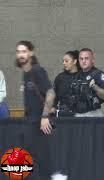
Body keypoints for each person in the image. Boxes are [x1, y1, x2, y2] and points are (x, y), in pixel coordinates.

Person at [15, 40, 55, 179]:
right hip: (29, 123)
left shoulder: (37, 70)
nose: (21, 54)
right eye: (19, 51)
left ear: (31, 53)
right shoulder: (25, 73)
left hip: (38, 125)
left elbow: (50, 93)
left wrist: (44, 117)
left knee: (41, 162)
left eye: (24, 51)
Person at [74, 48, 104, 117]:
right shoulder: (77, 76)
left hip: (93, 114)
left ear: (92, 60)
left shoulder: (98, 75)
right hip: (78, 114)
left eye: (86, 58)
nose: (83, 61)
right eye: (81, 59)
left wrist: (95, 87)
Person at [53, 50, 81, 117]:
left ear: (74, 61)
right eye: (63, 61)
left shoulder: (84, 77)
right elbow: (54, 97)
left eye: (66, 61)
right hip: (63, 115)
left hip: (80, 116)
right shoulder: (60, 78)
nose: (64, 63)